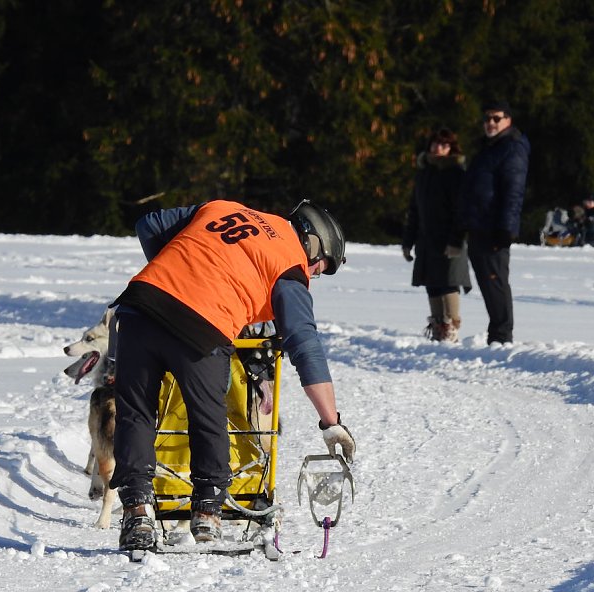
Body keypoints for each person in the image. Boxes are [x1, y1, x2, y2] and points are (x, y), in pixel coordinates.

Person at [108, 199, 356, 551]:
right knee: (208, 417)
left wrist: (183, 273)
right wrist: (330, 421)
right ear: (313, 244)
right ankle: (207, 514)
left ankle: (137, 514)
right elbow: (305, 344)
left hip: (140, 305)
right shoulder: (290, 265)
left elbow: (149, 224)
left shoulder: (222, 207)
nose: (313, 275)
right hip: (202, 326)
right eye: (319, 268)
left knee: (137, 414)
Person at [459, 100, 530, 345]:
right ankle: (496, 334)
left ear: (508, 120)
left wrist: (505, 229)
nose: (490, 123)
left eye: (496, 118)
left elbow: (513, 192)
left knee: (495, 282)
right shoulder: (490, 147)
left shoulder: (512, 148)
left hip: (494, 229)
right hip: (479, 226)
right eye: (487, 118)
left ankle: (501, 336)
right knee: (487, 283)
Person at [402, 127, 472, 342]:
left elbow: (462, 210)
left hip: (450, 238)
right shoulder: (423, 173)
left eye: (444, 144)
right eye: (435, 143)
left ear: (451, 148)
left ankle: (451, 325)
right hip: (426, 239)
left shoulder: (456, 173)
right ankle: (438, 323)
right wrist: (408, 241)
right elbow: (414, 210)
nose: (438, 148)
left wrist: (456, 240)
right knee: (431, 282)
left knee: (449, 282)